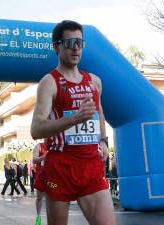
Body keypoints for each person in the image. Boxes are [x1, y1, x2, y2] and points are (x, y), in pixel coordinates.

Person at [30, 20, 116, 225]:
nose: (76, 48)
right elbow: (36, 129)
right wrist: (74, 118)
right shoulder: (49, 82)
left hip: (91, 166)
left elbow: (100, 113)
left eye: (80, 42)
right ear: (56, 46)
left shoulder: (94, 81)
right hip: (61, 167)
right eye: (70, 43)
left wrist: (104, 141)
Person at [32, 143, 49, 225]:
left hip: (53, 175)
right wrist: (44, 156)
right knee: (39, 198)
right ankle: (38, 216)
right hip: (41, 176)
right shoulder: (39, 146)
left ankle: (52, 217)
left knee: (53, 198)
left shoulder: (56, 145)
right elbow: (34, 160)